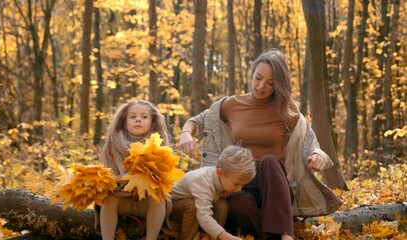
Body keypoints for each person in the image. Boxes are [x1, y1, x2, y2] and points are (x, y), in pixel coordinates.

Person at [179, 49, 343, 240]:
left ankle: (285, 235)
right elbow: (198, 120)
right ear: (251, 74)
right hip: (241, 185)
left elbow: (309, 140)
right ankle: (276, 235)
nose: (261, 86)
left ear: (278, 85)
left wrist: (317, 155)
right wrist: (185, 133)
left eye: (270, 83)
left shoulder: (285, 109)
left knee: (269, 161)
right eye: (258, 78)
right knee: (240, 208)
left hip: (275, 186)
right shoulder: (231, 105)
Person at [94, 100, 170, 240]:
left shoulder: (159, 145)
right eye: (133, 117)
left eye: (144, 117)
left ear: (153, 123)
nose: (138, 120)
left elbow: (162, 181)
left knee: (158, 198)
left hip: (146, 203)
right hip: (120, 199)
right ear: (124, 122)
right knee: (109, 198)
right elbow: (109, 177)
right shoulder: (113, 144)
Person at [167, 145, 255, 240]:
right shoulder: (203, 182)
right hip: (173, 206)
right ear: (219, 173)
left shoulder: (222, 178)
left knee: (222, 204)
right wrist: (227, 237)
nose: (239, 189)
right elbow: (204, 216)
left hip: (196, 206)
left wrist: (227, 193)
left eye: (242, 185)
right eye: (236, 184)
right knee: (192, 205)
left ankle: (209, 237)